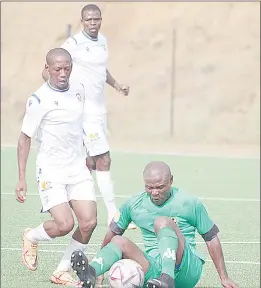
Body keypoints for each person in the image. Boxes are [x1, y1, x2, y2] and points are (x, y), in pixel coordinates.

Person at [70, 161, 239, 288]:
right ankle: (90, 273)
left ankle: (168, 278)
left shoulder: (189, 202)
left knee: (162, 222)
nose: (155, 192)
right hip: (154, 269)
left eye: (160, 187)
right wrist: (102, 268)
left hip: (187, 268)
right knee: (119, 241)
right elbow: (112, 234)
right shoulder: (134, 204)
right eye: (149, 187)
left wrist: (224, 277)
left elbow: (211, 238)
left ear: (171, 180)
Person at [42, 3, 136, 230]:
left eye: (97, 19)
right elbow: (50, 69)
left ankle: (76, 202)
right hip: (85, 113)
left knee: (90, 162)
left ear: (101, 20)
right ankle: (113, 214)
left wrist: (116, 85)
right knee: (104, 159)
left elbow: (101, 70)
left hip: (99, 111)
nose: (93, 23)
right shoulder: (74, 43)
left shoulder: (102, 41)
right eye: (89, 20)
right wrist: (56, 93)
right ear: (82, 21)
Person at [16, 48, 98, 287]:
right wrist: (21, 178)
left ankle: (62, 270)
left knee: (89, 222)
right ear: (47, 68)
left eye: (67, 68)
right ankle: (31, 236)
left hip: (78, 168)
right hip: (51, 170)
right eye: (57, 69)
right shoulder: (38, 101)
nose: (63, 73)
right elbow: (24, 139)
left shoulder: (78, 90)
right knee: (65, 225)